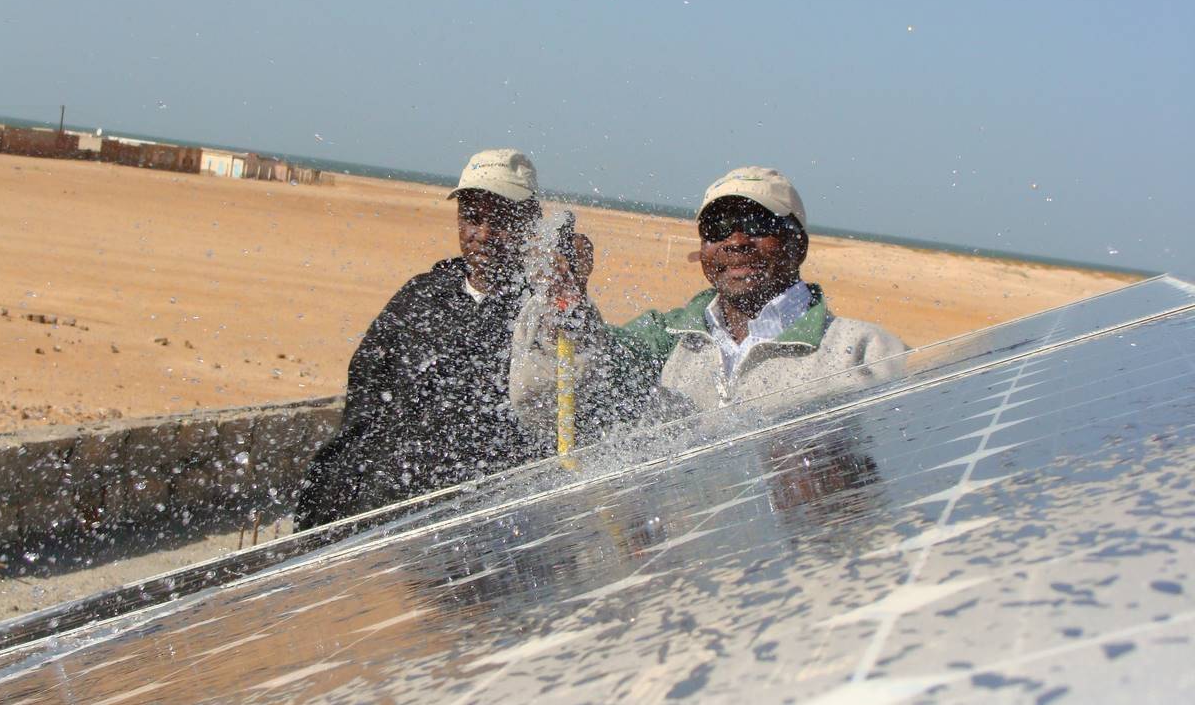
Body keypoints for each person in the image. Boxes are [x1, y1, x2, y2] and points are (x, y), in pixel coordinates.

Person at [509, 166, 907, 444]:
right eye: (716, 229)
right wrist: (566, 310)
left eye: (757, 224)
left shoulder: (863, 350)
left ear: (797, 243)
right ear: (703, 251)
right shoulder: (663, 339)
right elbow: (558, 405)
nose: (735, 241)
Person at [294, 149, 552, 529]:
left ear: (530, 223)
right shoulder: (420, 298)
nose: (482, 235)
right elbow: (364, 405)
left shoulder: (542, 311)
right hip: (390, 514)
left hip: (494, 523)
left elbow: (576, 389)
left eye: (499, 220)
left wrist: (568, 294)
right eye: (471, 218)